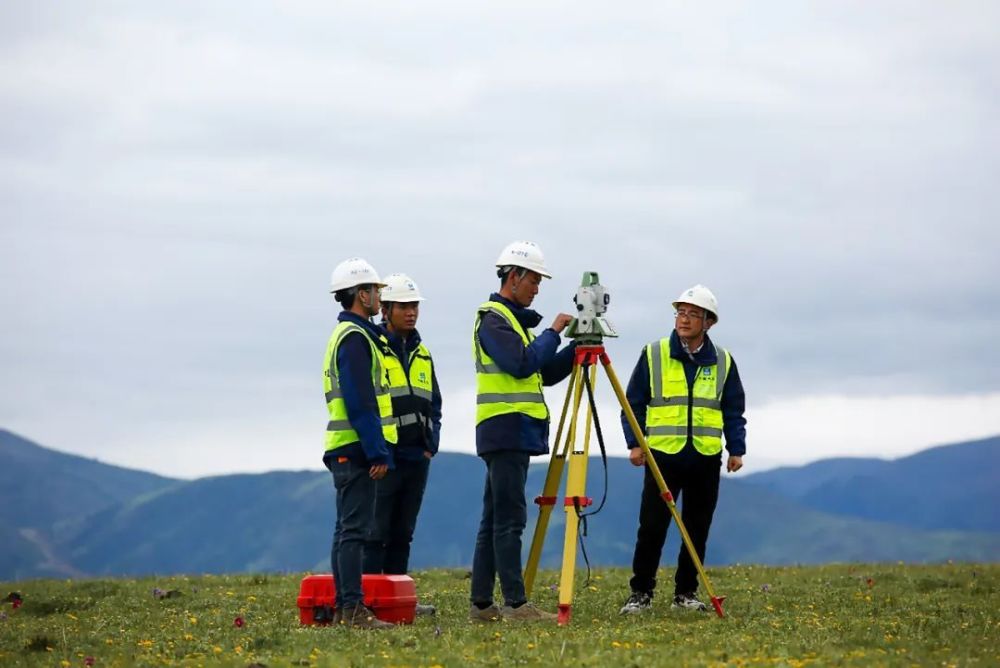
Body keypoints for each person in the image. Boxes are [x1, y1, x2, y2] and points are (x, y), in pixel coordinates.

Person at [618, 284, 747, 614]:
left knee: (697, 528)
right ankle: (641, 593)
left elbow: (733, 408)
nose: (684, 319)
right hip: (662, 455)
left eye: (692, 314)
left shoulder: (723, 361)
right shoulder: (654, 354)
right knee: (651, 527)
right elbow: (632, 403)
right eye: (680, 313)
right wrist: (634, 444)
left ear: (709, 322)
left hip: (705, 456)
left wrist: (736, 448)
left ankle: (685, 594)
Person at [469, 240, 576, 622]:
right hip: (506, 429)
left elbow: (542, 373)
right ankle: (515, 604)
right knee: (509, 519)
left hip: (508, 430)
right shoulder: (494, 319)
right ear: (513, 277)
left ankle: (482, 603)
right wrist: (554, 332)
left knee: (494, 518)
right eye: (533, 280)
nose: (537, 288)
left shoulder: (512, 321)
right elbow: (520, 363)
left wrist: (577, 350)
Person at [322, 257, 397, 630]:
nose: (380, 297)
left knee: (345, 530)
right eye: (376, 290)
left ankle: (344, 607)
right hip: (355, 448)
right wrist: (377, 450)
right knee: (353, 531)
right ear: (360, 294)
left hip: (344, 448)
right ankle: (352, 610)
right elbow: (360, 401)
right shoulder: (354, 338)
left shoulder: (352, 334)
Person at [363, 273, 442, 616]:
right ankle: (368, 599)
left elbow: (434, 403)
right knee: (376, 531)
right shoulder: (374, 349)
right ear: (387, 308)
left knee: (402, 532)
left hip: (416, 457)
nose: (411, 312)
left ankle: (395, 598)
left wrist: (431, 444)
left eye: (415, 306)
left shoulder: (423, 353)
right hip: (385, 457)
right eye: (405, 306)